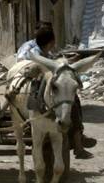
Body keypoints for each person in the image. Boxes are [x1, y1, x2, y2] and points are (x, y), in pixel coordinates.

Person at [17, 23, 96, 160]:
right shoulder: (33, 51)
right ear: (52, 42)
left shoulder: (40, 48)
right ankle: (78, 142)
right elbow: (27, 62)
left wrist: (70, 61)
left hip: (37, 81)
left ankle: (77, 137)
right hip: (32, 83)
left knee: (70, 93)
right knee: (73, 100)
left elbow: (54, 63)